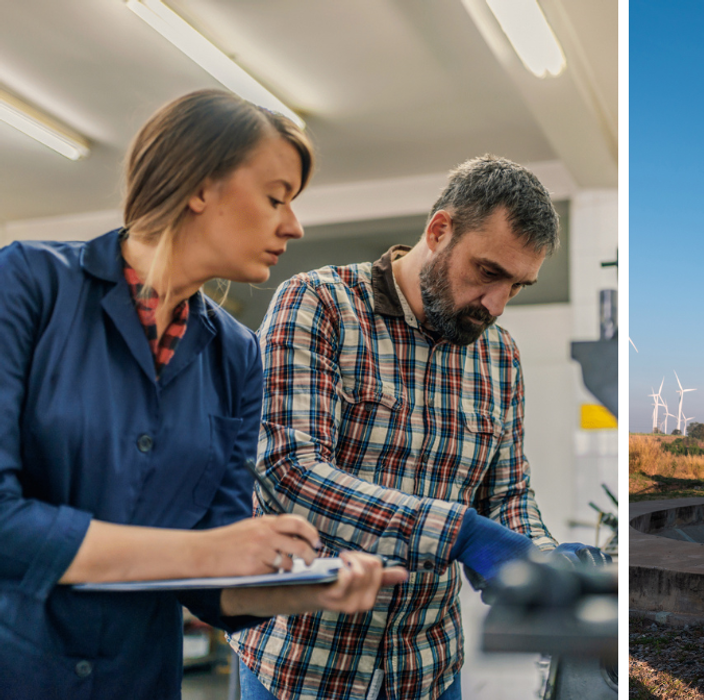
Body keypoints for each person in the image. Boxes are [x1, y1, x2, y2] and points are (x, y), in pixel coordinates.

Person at [0, 90, 406, 700]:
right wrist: (207, 548)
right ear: (199, 187)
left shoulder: (238, 354)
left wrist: (303, 587)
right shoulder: (28, 283)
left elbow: (209, 576)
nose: (292, 225)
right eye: (275, 197)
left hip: (138, 681)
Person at [229, 155, 608, 700]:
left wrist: (545, 561)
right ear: (439, 231)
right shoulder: (319, 305)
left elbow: (507, 495)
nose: (497, 305)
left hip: (427, 670)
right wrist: (459, 532)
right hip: (303, 666)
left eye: (517, 286)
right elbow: (290, 472)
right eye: (488, 272)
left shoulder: (499, 355)